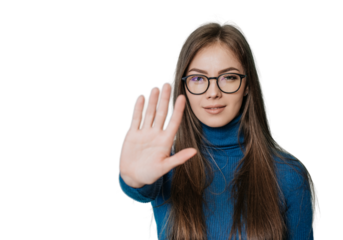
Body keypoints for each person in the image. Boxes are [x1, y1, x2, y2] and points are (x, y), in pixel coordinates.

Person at [118, 16, 321, 240]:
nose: (213, 92)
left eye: (229, 77)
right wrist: (131, 179)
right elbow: (139, 187)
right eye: (198, 78)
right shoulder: (164, 164)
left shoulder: (290, 175)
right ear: (183, 87)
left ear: (247, 85)